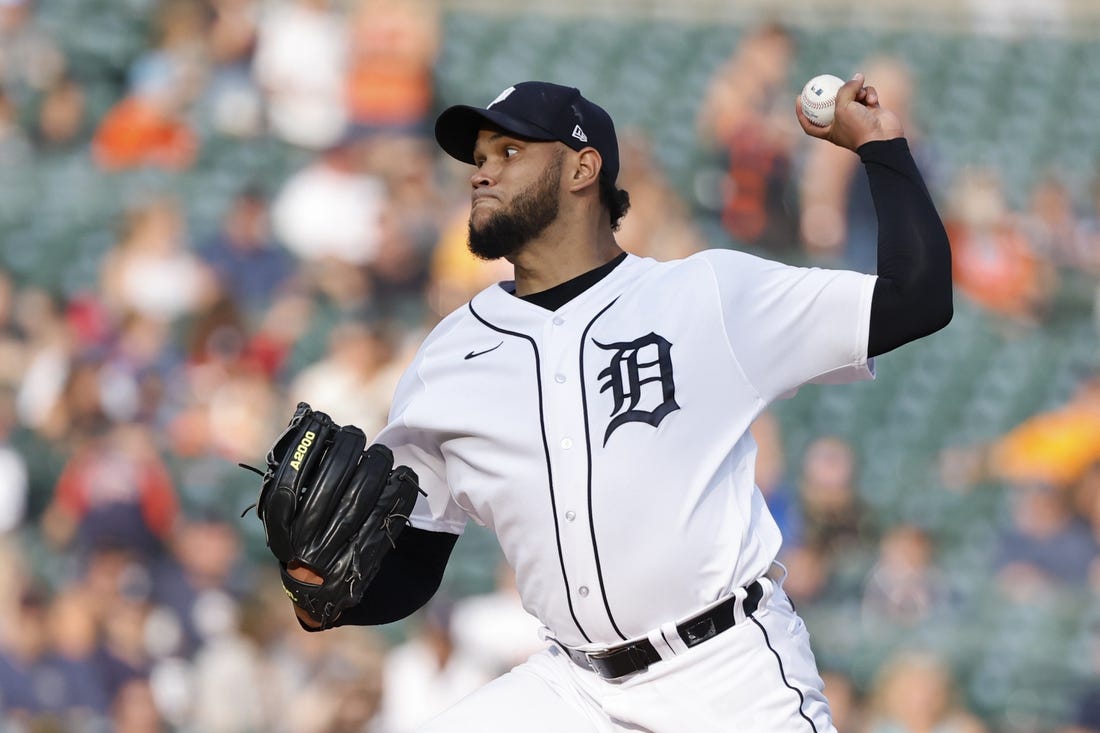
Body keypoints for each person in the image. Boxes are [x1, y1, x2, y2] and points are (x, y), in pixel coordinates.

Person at [280, 77, 953, 732]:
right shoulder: (446, 358)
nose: (482, 172)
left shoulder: (706, 295)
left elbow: (917, 296)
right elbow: (416, 558)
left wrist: (881, 147)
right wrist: (318, 594)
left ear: (582, 168)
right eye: (478, 158)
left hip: (725, 674)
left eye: (509, 152)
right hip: (572, 686)